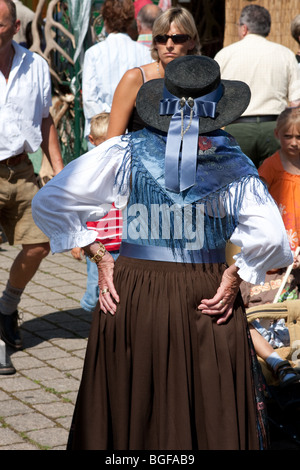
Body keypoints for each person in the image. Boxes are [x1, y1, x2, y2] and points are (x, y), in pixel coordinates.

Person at [32, 55, 293, 450]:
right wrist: (234, 274)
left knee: (134, 406)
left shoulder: (124, 151)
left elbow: (51, 201)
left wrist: (100, 255)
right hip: (207, 296)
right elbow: (272, 238)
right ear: (218, 109)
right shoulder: (234, 163)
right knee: (209, 409)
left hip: (133, 291)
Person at [0, 0, 63, 355]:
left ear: (14, 28)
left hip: (22, 167)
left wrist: (57, 166)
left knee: (41, 243)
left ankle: (6, 306)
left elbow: (44, 119)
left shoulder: (34, 64)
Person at [214, 4, 300, 168]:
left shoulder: (225, 55)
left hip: (237, 130)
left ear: (244, 28)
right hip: (275, 130)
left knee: (239, 188)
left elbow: (214, 99)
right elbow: (296, 102)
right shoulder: (285, 54)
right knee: (276, 189)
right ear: (267, 29)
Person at [106, 6, 201, 138]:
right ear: (155, 43)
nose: (169, 45)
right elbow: (112, 141)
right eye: (161, 38)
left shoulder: (201, 80)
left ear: (192, 42)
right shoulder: (135, 78)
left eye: (177, 38)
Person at [71, 112, 122, 312]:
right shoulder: (86, 173)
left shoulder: (122, 168)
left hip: (123, 242)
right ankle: (91, 311)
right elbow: (77, 208)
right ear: (92, 141)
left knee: (118, 288)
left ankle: (109, 324)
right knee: (95, 292)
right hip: (97, 246)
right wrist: (77, 242)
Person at [82, 0, 152, 142]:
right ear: (130, 21)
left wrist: (108, 122)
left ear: (105, 21)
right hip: (135, 131)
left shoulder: (93, 53)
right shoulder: (145, 52)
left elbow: (90, 99)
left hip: (101, 133)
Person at [258, 106, 300, 250]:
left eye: (299, 137)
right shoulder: (271, 165)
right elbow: (257, 199)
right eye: (288, 136)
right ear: (277, 134)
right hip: (281, 234)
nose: (294, 143)